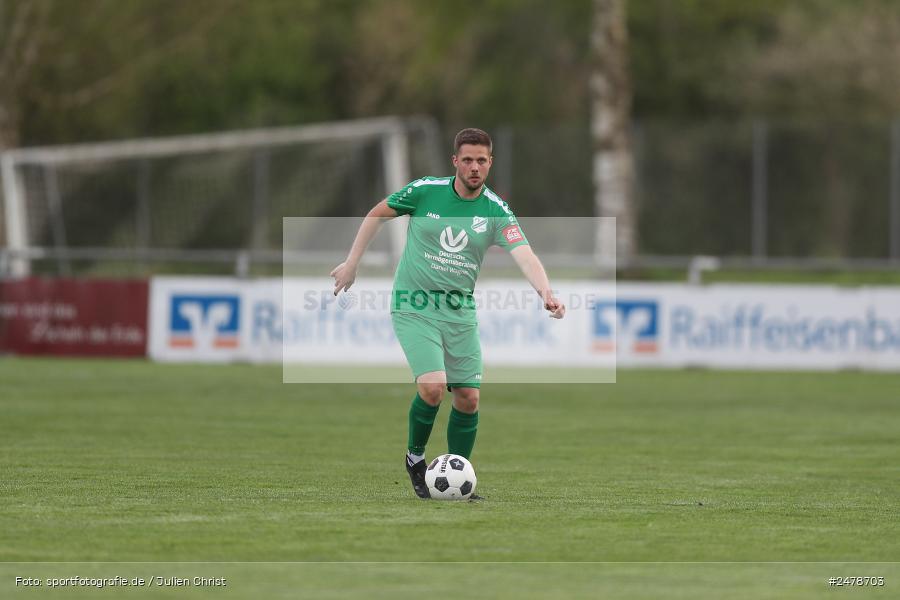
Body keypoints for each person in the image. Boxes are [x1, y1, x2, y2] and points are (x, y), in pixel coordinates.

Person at [331, 128, 565, 499]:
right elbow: (377, 214)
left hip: (459, 311)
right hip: (414, 305)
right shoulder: (426, 190)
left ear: (490, 163)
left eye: (482, 161)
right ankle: (415, 458)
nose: (475, 167)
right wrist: (352, 263)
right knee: (433, 387)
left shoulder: (495, 210)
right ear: (455, 161)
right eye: (468, 160)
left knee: (468, 398)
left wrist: (546, 292)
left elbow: (525, 255)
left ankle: (458, 478)